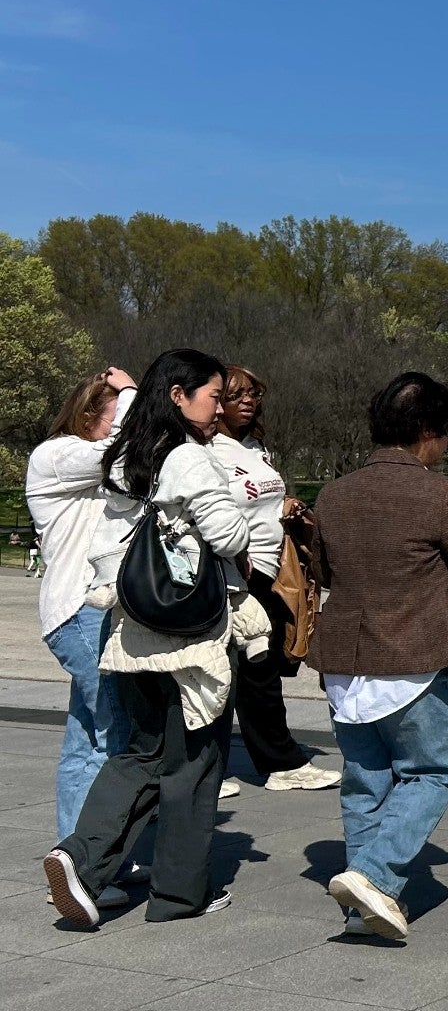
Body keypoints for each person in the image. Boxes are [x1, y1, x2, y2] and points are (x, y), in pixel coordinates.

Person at [44, 349, 267, 925]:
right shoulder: (187, 457)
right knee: (195, 759)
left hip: (132, 627)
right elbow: (227, 535)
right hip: (190, 632)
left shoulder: (125, 456)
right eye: (212, 396)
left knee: (140, 752)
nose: (218, 408)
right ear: (177, 396)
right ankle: (179, 895)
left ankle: (80, 858)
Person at [310, 372, 448, 940]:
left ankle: (364, 906)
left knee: (365, 782)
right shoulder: (437, 493)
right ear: (429, 432)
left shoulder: (334, 494)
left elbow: (322, 571)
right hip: (410, 657)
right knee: (437, 770)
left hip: (345, 660)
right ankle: (375, 874)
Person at [26, 369, 139, 890]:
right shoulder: (57, 454)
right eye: (114, 416)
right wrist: (134, 393)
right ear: (90, 414)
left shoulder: (86, 459)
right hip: (79, 611)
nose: (121, 425)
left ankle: (72, 855)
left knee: (85, 740)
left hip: (93, 611)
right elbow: (124, 455)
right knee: (114, 738)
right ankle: (90, 867)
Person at [210, 364, 341, 794]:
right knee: (242, 672)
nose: (248, 401)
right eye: (236, 395)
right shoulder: (206, 451)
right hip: (233, 574)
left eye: (254, 393)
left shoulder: (253, 447)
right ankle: (268, 764)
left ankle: (265, 763)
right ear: (215, 402)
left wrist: (288, 507)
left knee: (259, 671)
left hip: (270, 570)